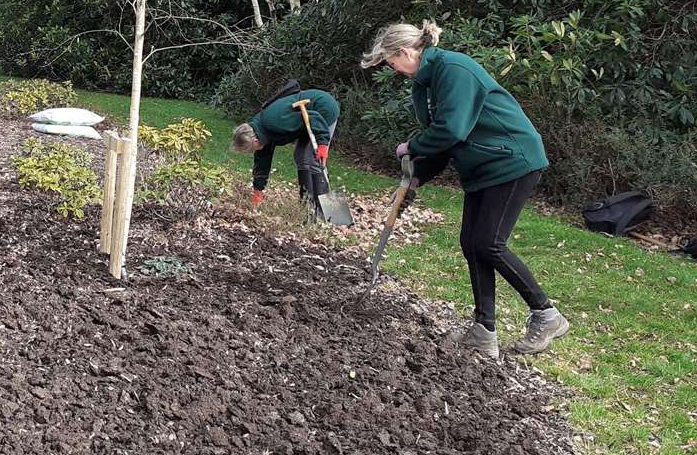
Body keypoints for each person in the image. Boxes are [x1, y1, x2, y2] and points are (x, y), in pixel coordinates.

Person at [360, 21, 568, 358]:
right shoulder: (424, 85)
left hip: (513, 160)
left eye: (390, 62)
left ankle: (546, 315)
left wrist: (410, 146)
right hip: (483, 167)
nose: (392, 70)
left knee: (488, 242)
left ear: (405, 52)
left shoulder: (454, 70)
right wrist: (415, 178)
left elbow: (451, 130)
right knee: (471, 244)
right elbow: (443, 144)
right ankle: (484, 331)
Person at [230, 80, 340, 218]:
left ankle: (323, 212)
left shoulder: (275, 123)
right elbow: (262, 162)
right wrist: (258, 190)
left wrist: (323, 143)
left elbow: (314, 117)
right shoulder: (261, 132)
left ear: (255, 141)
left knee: (311, 158)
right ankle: (308, 206)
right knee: (301, 157)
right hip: (308, 116)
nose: (253, 151)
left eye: (252, 149)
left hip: (323, 109)